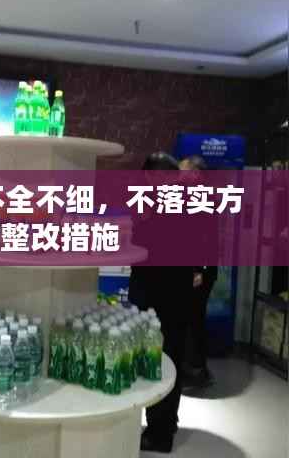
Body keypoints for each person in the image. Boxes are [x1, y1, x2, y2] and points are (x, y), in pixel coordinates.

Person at [130, 152, 194, 453]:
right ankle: (165, 424)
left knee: (160, 361)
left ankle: (160, 433)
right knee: (168, 358)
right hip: (173, 296)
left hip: (162, 298)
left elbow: (147, 242)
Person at [179, 155, 218, 389]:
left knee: (193, 319)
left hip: (199, 272)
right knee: (191, 318)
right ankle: (194, 368)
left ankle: (196, 371)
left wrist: (198, 270)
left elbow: (204, 240)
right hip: (195, 269)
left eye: (182, 170)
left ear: (195, 174)